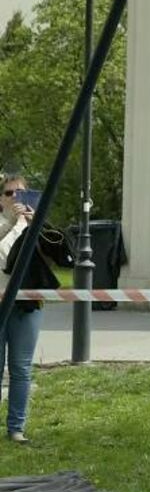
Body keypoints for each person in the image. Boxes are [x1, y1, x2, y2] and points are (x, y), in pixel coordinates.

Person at [0, 172, 56, 444]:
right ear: (1, 198)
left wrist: (39, 223)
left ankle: (16, 429)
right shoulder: (3, 223)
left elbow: (60, 251)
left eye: (20, 193)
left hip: (26, 305)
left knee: (21, 368)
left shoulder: (33, 224)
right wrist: (10, 224)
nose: (14, 199)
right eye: (9, 193)